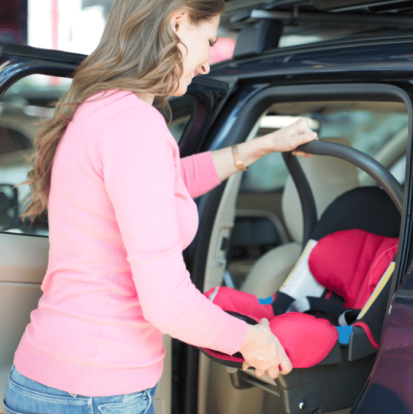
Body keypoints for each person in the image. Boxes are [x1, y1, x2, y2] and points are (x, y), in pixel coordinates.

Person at [2, 1, 316, 413]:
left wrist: (262, 146)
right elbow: (167, 304)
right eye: (209, 40)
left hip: (52, 378)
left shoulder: (103, 108)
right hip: (97, 392)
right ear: (178, 21)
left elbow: (169, 182)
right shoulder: (135, 124)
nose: (206, 63)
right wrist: (251, 340)